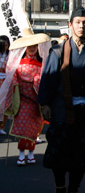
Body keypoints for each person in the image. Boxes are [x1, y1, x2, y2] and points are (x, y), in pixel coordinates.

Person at [37, 7, 85, 193]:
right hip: (62, 110)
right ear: (70, 25)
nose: (82, 26)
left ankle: (74, 188)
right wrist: (45, 103)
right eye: (77, 22)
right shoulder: (58, 51)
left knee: (82, 155)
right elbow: (48, 78)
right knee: (59, 153)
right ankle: (60, 186)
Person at [0, 29, 51, 165]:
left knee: (34, 129)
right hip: (22, 99)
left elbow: (44, 78)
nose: (32, 49)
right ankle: (22, 154)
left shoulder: (42, 63)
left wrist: (37, 81)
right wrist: (16, 84)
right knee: (23, 128)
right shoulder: (19, 63)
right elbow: (13, 76)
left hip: (36, 100)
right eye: (29, 46)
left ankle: (31, 153)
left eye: (34, 46)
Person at [0, 35, 10, 135]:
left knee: (4, 106)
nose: (5, 47)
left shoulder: (10, 55)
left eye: (7, 45)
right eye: (3, 45)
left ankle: (2, 125)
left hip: (6, 80)